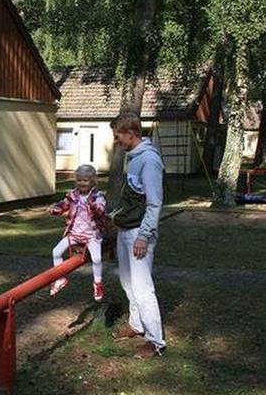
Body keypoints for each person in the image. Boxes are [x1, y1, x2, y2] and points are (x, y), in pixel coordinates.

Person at [109, 112, 167, 358]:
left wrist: (144, 236)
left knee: (143, 288)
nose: (116, 141)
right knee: (127, 283)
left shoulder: (149, 161)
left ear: (131, 134)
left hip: (138, 234)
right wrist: (113, 217)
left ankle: (156, 342)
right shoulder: (132, 158)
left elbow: (154, 204)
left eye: (118, 136)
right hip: (126, 229)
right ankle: (136, 325)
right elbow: (132, 198)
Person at [48, 164, 107, 302]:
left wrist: (94, 208)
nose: (82, 183)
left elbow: (101, 210)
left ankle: (97, 284)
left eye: (85, 180)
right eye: (79, 180)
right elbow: (63, 205)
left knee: (97, 258)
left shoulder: (97, 196)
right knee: (56, 252)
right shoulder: (72, 195)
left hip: (91, 235)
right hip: (74, 234)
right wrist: (56, 209)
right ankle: (60, 278)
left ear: (92, 181)